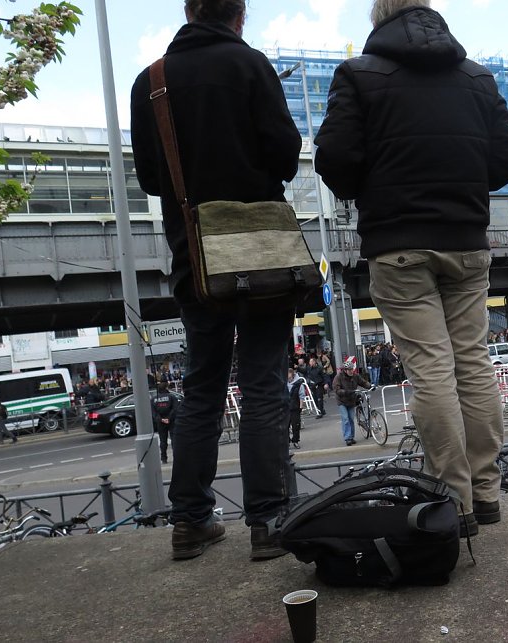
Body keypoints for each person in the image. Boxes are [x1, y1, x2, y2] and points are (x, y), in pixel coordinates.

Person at [314, 0, 508, 535]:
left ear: (377, 18)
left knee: (431, 369)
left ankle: (456, 501)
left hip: (398, 243)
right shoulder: (477, 79)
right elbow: (506, 161)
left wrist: (374, 187)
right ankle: (488, 491)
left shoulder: (358, 75)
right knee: (472, 363)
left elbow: (333, 158)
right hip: (467, 241)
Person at [130, 0, 302, 561]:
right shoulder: (252, 66)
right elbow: (286, 156)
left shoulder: (150, 82)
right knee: (262, 385)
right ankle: (267, 521)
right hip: (262, 251)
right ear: (239, 15)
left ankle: (191, 521)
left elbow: (154, 180)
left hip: (195, 254)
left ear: (189, 10)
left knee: (202, 387)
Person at [332, 358, 371, 446]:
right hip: (342, 401)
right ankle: (347, 438)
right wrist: (346, 392)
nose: (351, 371)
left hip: (351, 400)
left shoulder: (355, 376)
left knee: (351, 419)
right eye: (349, 370)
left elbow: (363, 382)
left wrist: (370, 386)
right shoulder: (338, 377)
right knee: (345, 419)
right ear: (345, 370)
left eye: (352, 369)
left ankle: (351, 437)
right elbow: (337, 390)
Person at [151, 381, 179, 464]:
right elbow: (175, 409)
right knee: (174, 440)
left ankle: (164, 458)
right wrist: (169, 418)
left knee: (163, 441)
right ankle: (176, 457)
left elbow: (153, 412)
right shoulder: (171, 397)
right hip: (172, 421)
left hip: (161, 422)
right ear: (166, 388)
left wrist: (161, 419)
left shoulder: (154, 399)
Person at [287, 368, 306, 449]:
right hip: (286, 408)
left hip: (295, 407)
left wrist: (300, 407)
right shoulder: (283, 383)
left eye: (288, 373)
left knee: (296, 425)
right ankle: (286, 442)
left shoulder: (298, 384)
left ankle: (295, 441)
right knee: (285, 426)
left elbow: (302, 396)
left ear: (292, 374)